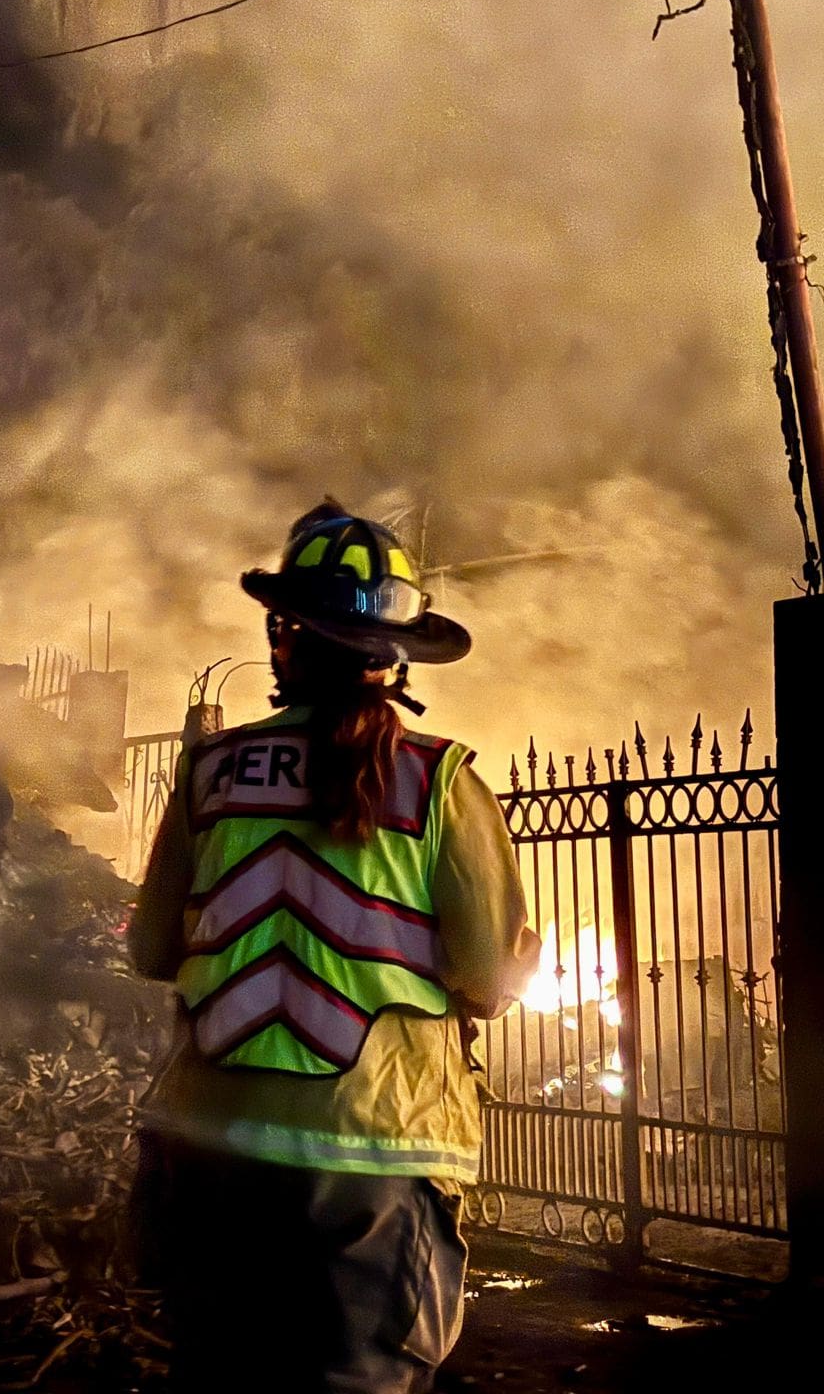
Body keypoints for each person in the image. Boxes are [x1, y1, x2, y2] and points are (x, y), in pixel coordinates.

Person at [130, 501, 541, 1394]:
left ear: (284, 635)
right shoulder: (440, 781)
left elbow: (153, 948)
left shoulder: (210, 770)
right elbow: (484, 974)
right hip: (372, 1160)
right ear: (396, 654)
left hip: (206, 1147)